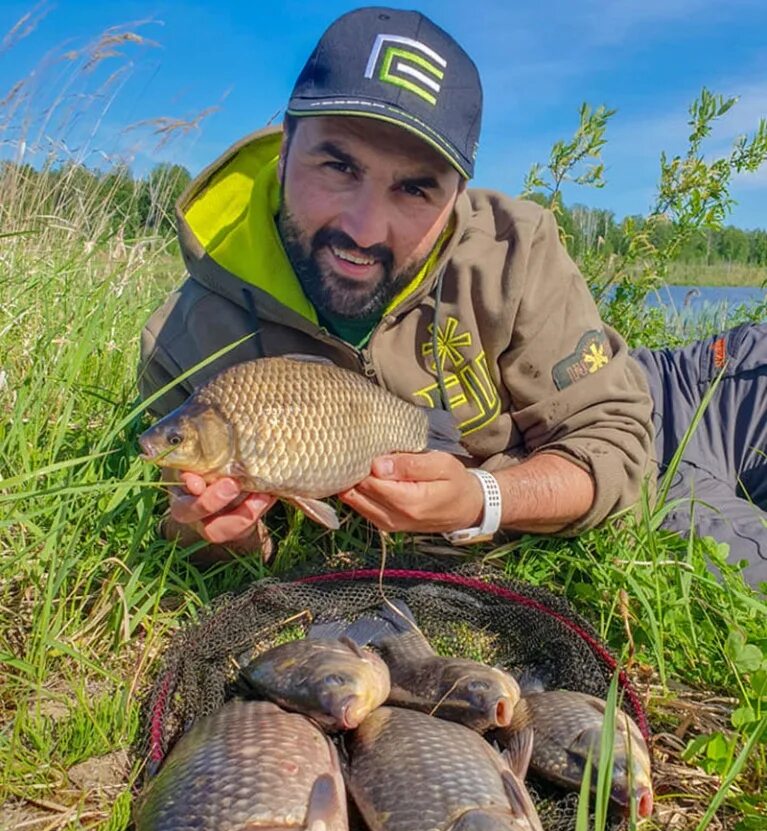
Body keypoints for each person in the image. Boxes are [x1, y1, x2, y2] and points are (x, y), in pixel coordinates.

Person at [137, 7, 766, 589]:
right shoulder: (187, 341)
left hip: (689, 395)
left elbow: (617, 435)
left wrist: (484, 499)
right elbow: (199, 546)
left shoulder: (515, 248)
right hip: (647, 449)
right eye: (338, 167)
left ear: (458, 192)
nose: (363, 229)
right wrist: (211, 534)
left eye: (414, 190)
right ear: (285, 146)